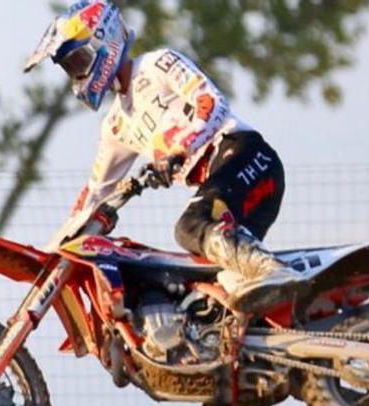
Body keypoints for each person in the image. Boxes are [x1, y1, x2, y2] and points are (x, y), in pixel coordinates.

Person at [24, 1, 304, 314]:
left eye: (79, 60)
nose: (76, 73)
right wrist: (51, 252)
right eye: (69, 67)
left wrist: (177, 151)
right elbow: (95, 193)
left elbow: (211, 102)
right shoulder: (115, 126)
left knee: (189, 226)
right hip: (225, 189)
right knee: (216, 298)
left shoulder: (157, 64)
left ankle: (274, 270)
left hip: (246, 156)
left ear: (104, 41)